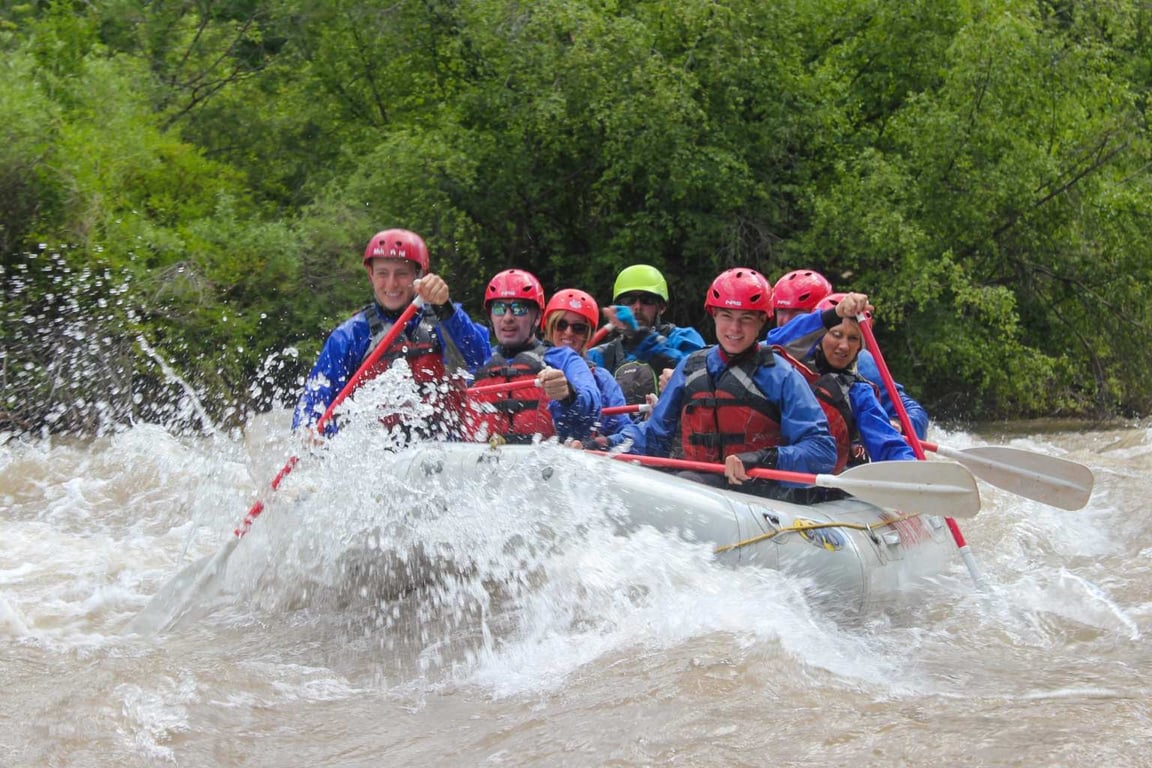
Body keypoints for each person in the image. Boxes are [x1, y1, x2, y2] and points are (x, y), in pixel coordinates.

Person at [586, 268, 837, 501]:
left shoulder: (781, 375)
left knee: (689, 482)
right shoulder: (691, 367)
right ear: (714, 315)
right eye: (726, 316)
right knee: (682, 481)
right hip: (704, 489)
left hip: (764, 495)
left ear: (762, 320)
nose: (734, 329)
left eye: (746, 318)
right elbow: (652, 436)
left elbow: (821, 450)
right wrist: (604, 444)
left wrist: (762, 459)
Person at [292, 228, 491, 437]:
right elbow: (316, 397)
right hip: (380, 454)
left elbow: (482, 361)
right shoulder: (350, 335)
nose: (391, 284)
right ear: (371, 275)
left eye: (402, 274)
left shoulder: (446, 319)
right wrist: (310, 428)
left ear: (419, 275)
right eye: (382, 273)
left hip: (444, 448)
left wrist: (446, 308)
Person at [768, 289, 930, 440]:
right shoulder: (776, 356)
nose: (787, 321)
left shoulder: (863, 372)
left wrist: (898, 425)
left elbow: (910, 412)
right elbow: (774, 343)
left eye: (798, 314)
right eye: (781, 311)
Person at [467, 269, 602, 444]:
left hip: (542, 463)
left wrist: (569, 394)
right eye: (499, 308)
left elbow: (592, 404)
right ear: (491, 316)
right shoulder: (477, 361)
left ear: (537, 317)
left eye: (519, 308)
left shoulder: (563, 359)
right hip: (485, 463)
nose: (508, 318)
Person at [784, 310, 917, 471]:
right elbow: (773, 342)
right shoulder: (785, 370)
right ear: (819, 337)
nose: (844, 346)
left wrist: (912, 470)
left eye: (853, 338)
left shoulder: (859, 392)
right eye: (836, 334)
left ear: (860, 347)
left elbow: (888, 444)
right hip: (767, 469)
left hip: (823, 485)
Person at [586, 264, 705, 405]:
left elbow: (699, 375)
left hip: (670, 425)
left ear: (661, 307)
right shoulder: (599, 355)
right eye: (629, 300)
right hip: (621, 426)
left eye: (647, 300)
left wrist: (638, 337)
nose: (637, 307)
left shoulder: (683, 338)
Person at [543, 288, 633, 437]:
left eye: (579, 328)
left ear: (588, 334)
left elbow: (624, 432)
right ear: (549, 326)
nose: (569, 332)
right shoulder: (532, 366)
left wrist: (601, 445)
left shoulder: (601, 379)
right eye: (561, 324)